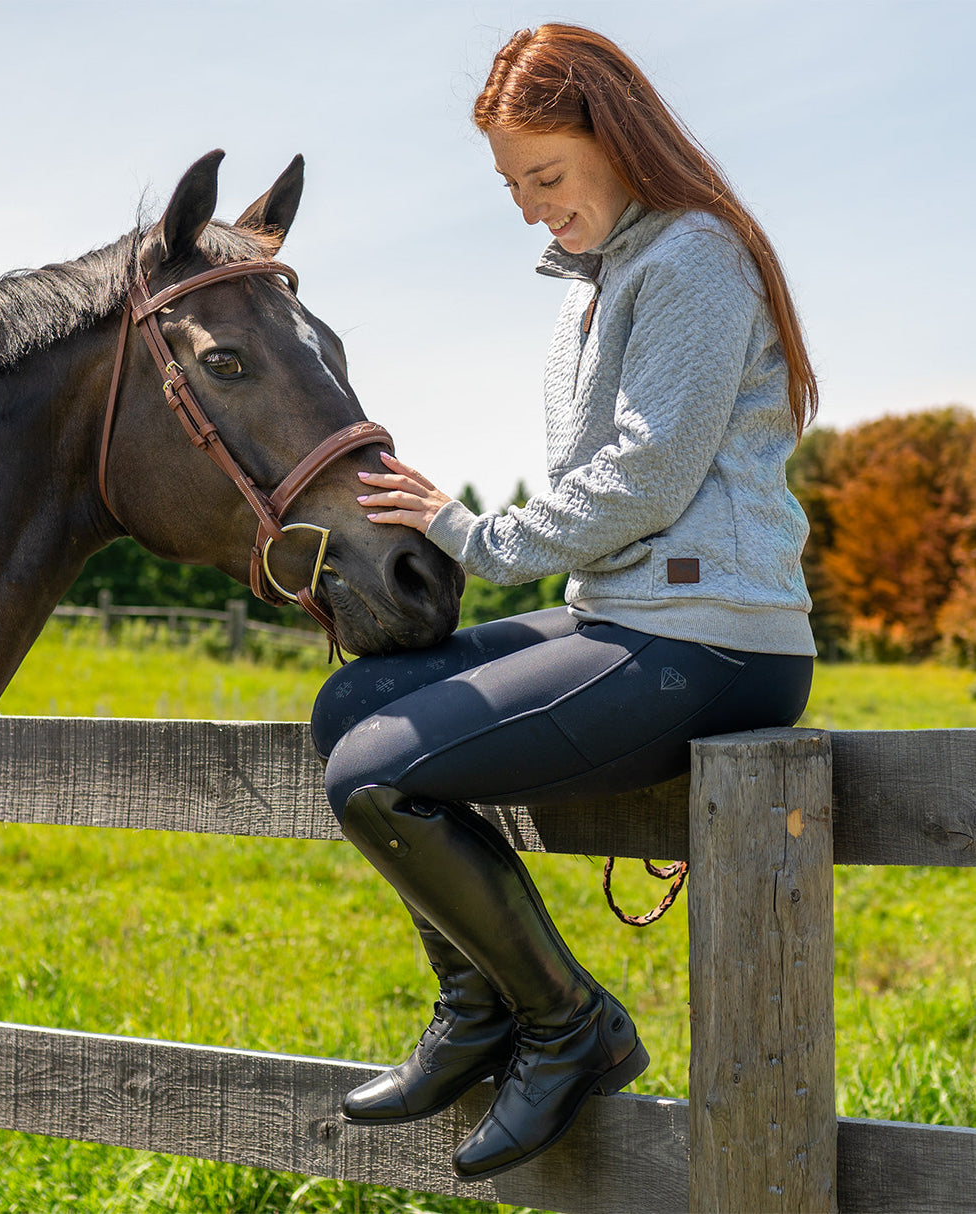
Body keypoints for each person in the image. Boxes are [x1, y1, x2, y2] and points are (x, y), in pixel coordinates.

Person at [310, 23, 817, 1181]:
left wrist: (465, 532)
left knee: (373, 773)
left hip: (711, 637)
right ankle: (480, 1006)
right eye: (510, 185)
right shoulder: (588, 294)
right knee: (357, 701)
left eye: (546, 174)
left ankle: (565, 1022)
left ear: (617, 135)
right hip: (624, 617)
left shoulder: (691, 256)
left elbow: (641, 479)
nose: (530, 205)